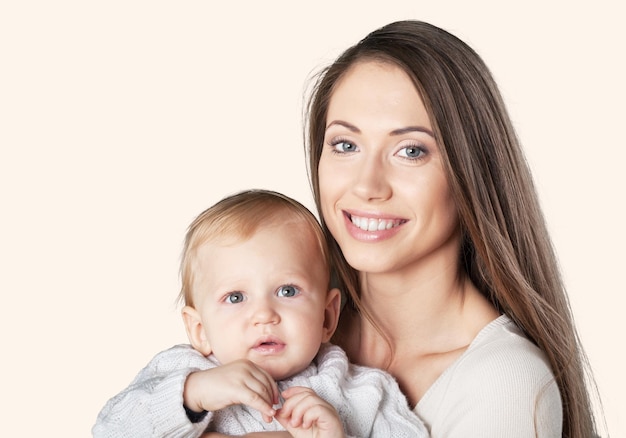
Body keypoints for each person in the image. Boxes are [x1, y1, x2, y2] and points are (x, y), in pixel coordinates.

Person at [304, 20, 602, 437]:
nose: (366, 186)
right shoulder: (283, 323)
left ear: (472, 173)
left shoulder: (503, 384)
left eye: (411, 151)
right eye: (346, 145)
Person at [92, 189, 427, 438]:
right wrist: (192, 394)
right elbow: (108, 430)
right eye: (235, 297)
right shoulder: (183, 374)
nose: (264, 315)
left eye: (287, 291)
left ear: (327, 317)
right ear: (200, 330)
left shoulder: (362, 392)